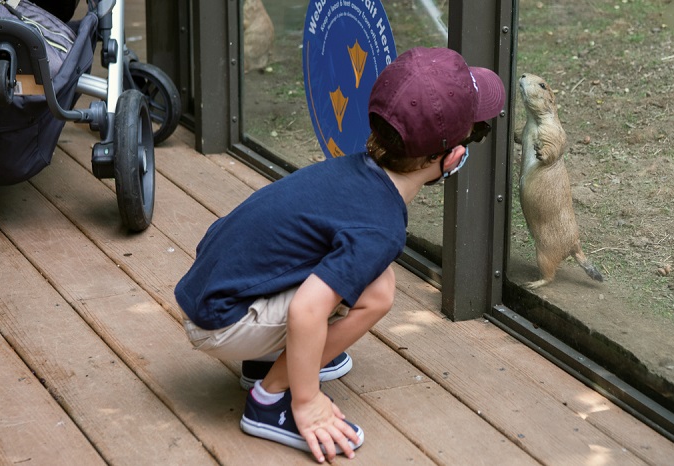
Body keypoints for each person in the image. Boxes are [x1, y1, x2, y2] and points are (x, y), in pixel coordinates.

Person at [174, 46, 505, 463]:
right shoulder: (381, 225)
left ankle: (264, 362)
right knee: (379, 291)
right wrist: (308, 400)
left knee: (356, 273)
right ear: (452, 158)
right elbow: (307, 311)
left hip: (212, 283)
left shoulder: (352, 170)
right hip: (219, 320)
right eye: (474, 134)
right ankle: (271, 397)